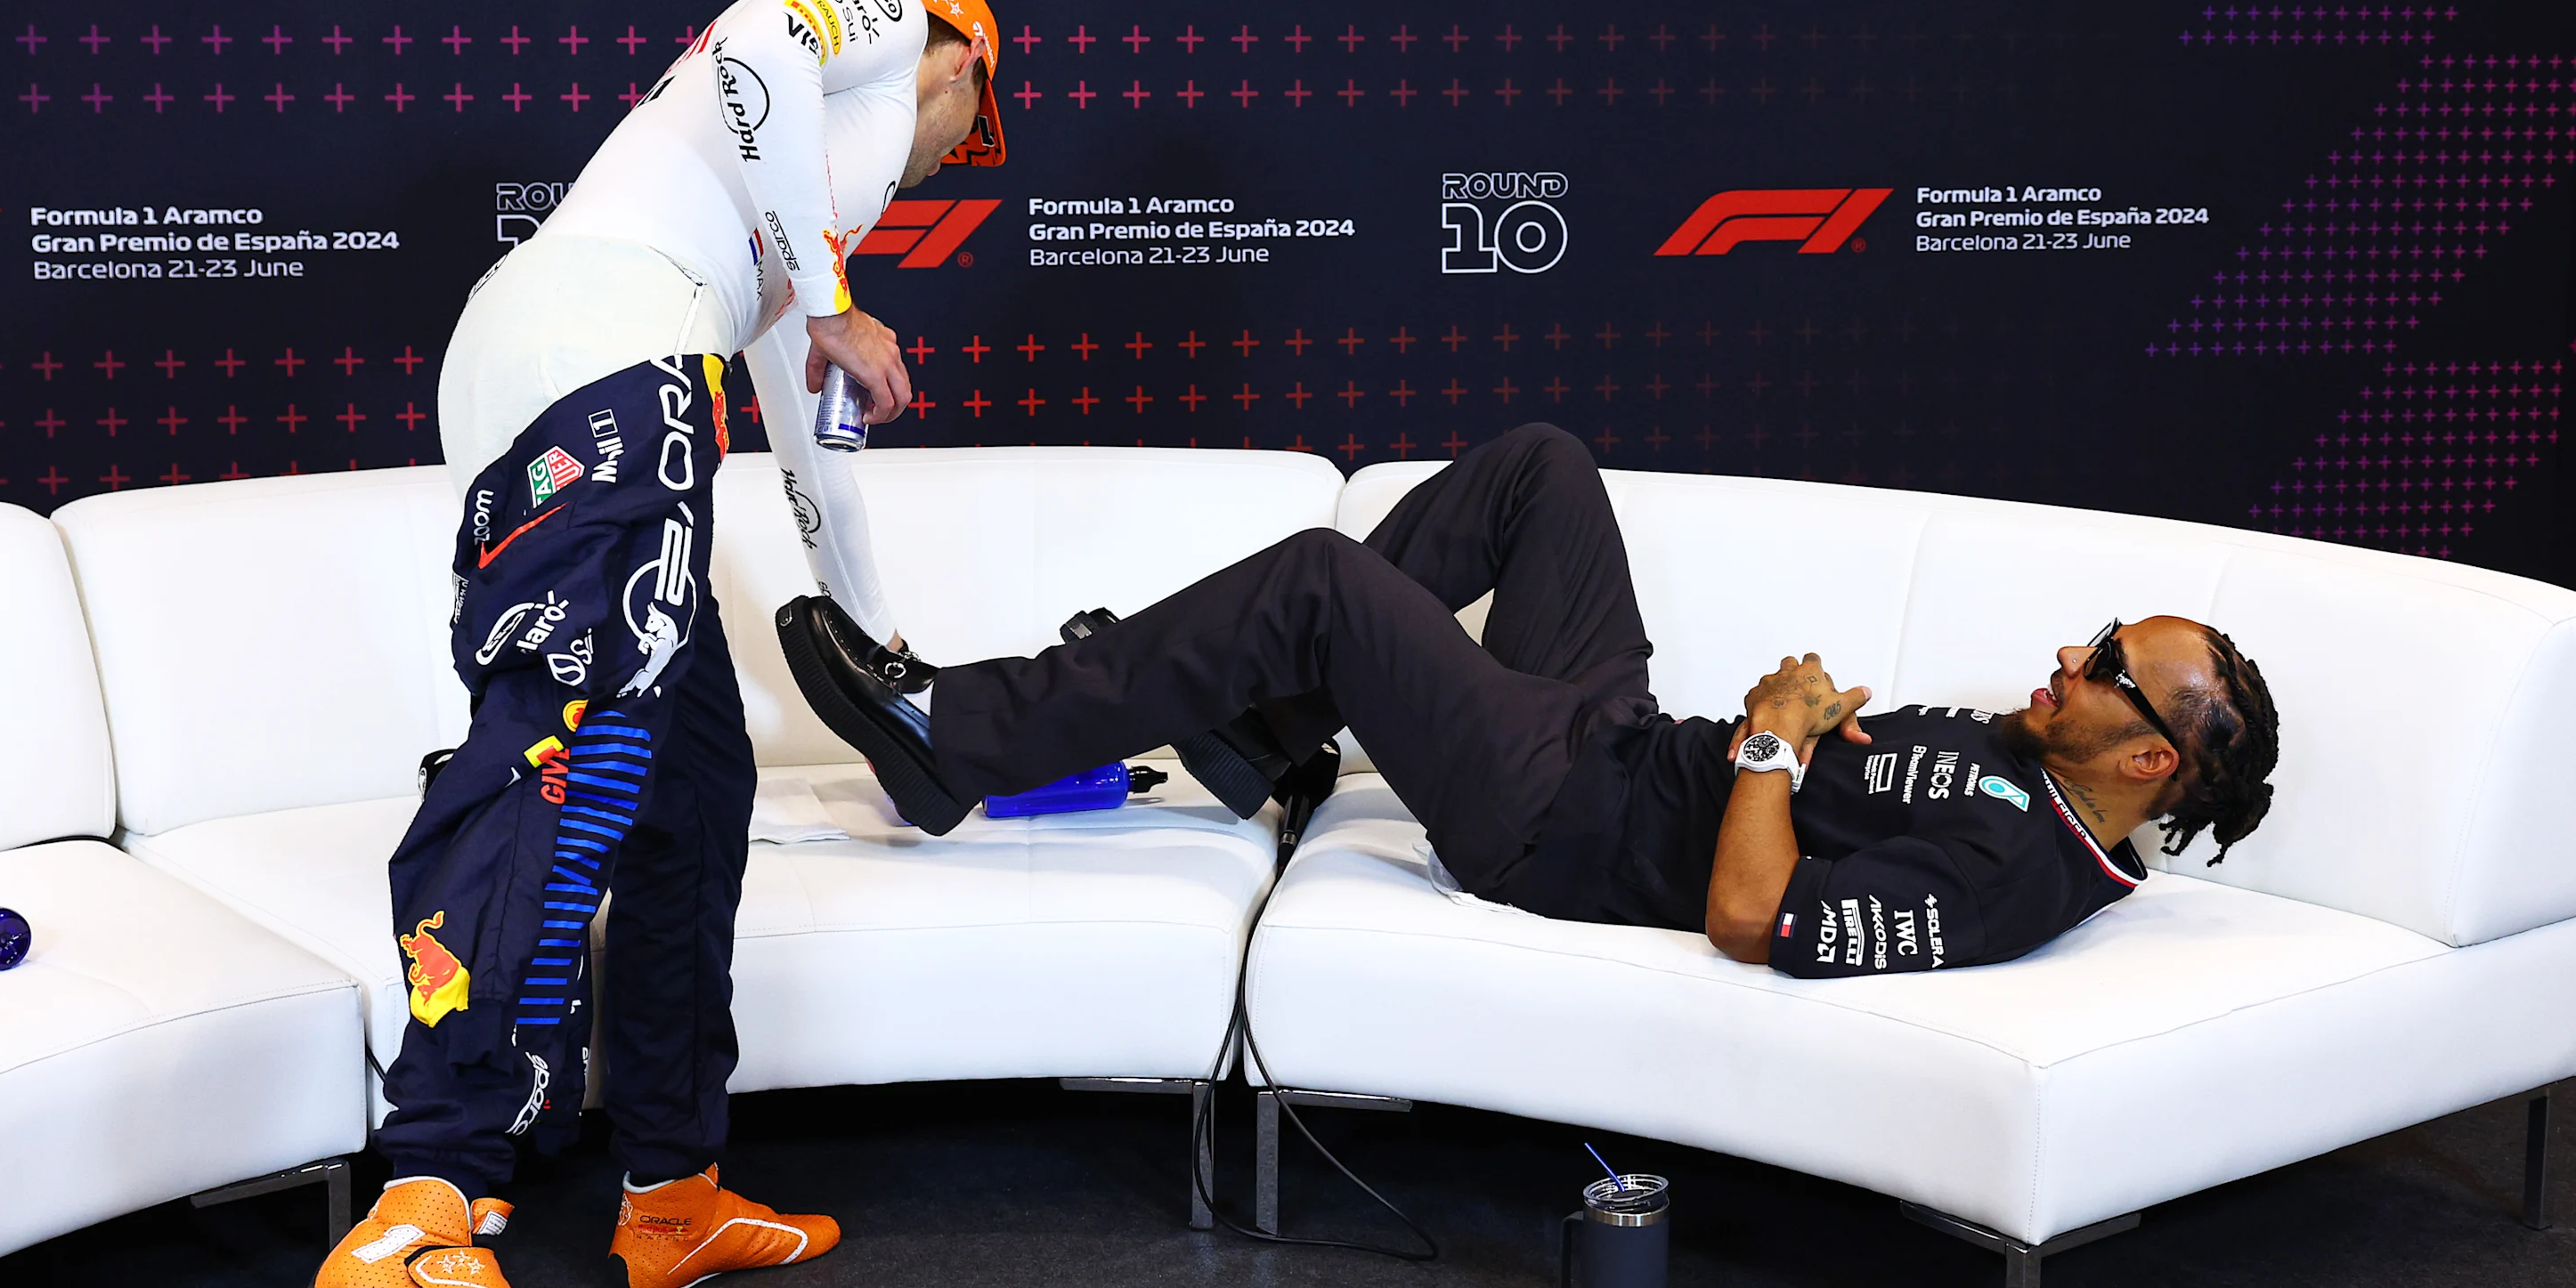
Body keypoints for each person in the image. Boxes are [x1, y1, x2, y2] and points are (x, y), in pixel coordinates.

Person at [313, 0, 1008, 1288]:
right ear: (959, 63)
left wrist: (880, 654)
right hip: (594, 348)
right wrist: (831, 295)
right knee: (569, 741)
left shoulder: (789, 202)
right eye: (972, 124)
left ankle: (670, 1192)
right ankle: (424, 1208)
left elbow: (806, 436)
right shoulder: (880, 21)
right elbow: (758, 38)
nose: (955, 156)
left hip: (627, 357)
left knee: (694, 777)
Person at [781, 423, 2279, 979]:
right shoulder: (2021, 749)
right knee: (1541, 472)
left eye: (2103, 669)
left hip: (1559, 826)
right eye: (2093, 635)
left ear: (2150, 755)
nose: (2068, 660)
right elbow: (1835, 777)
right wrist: (1807, 733)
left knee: (1320, 578)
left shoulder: (2020, 878)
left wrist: (1772, 736)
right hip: (1618, 739)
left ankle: (950, 742)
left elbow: (1757, 920)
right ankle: (1253, 734)